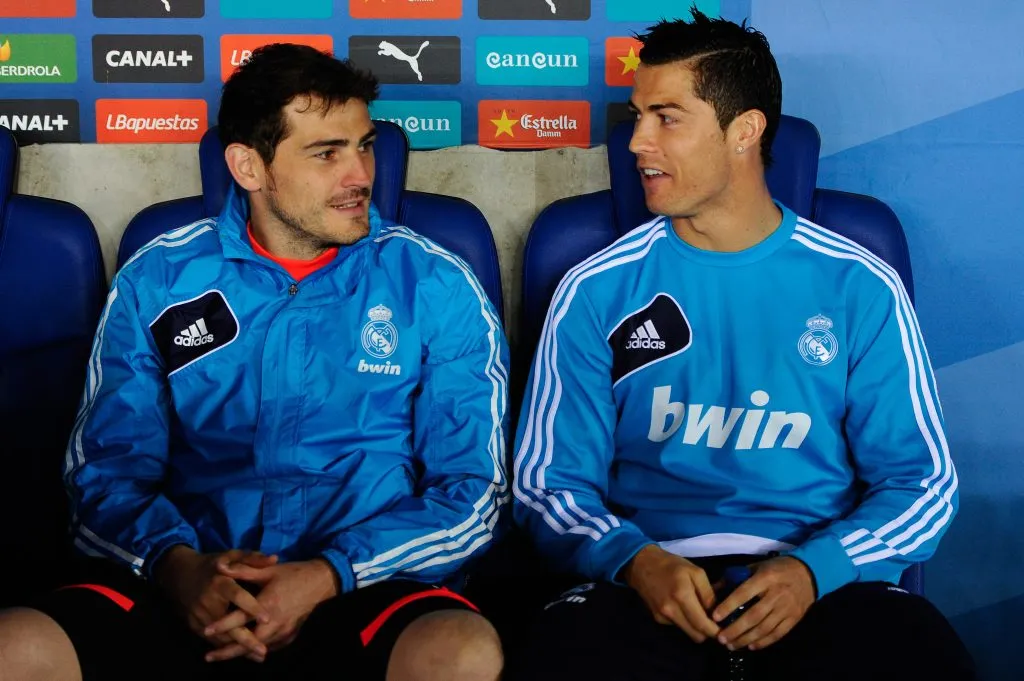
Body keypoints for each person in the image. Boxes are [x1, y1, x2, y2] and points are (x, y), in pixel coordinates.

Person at [0, 43, 508, 681]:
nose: (360, 174)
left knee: (461, 651)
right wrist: (179, 568)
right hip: (188, 587)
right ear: (247, 165)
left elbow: (473, 491)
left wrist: (330, 573)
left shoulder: (435, 282)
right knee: (14, 645)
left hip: (362, 586)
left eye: (365, 146)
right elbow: (105, 474)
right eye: (326, 153)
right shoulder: (160, 279)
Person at [507, 10, 974, 681]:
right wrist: (632, 559)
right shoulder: (596, 289)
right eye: (637, 116)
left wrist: (815, 570)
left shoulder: (857, 284)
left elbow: (922, 484)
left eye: (666, 117)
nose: (637, 141)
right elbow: (548, 485)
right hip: (645, 586)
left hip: (821, 585)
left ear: (744, 131)